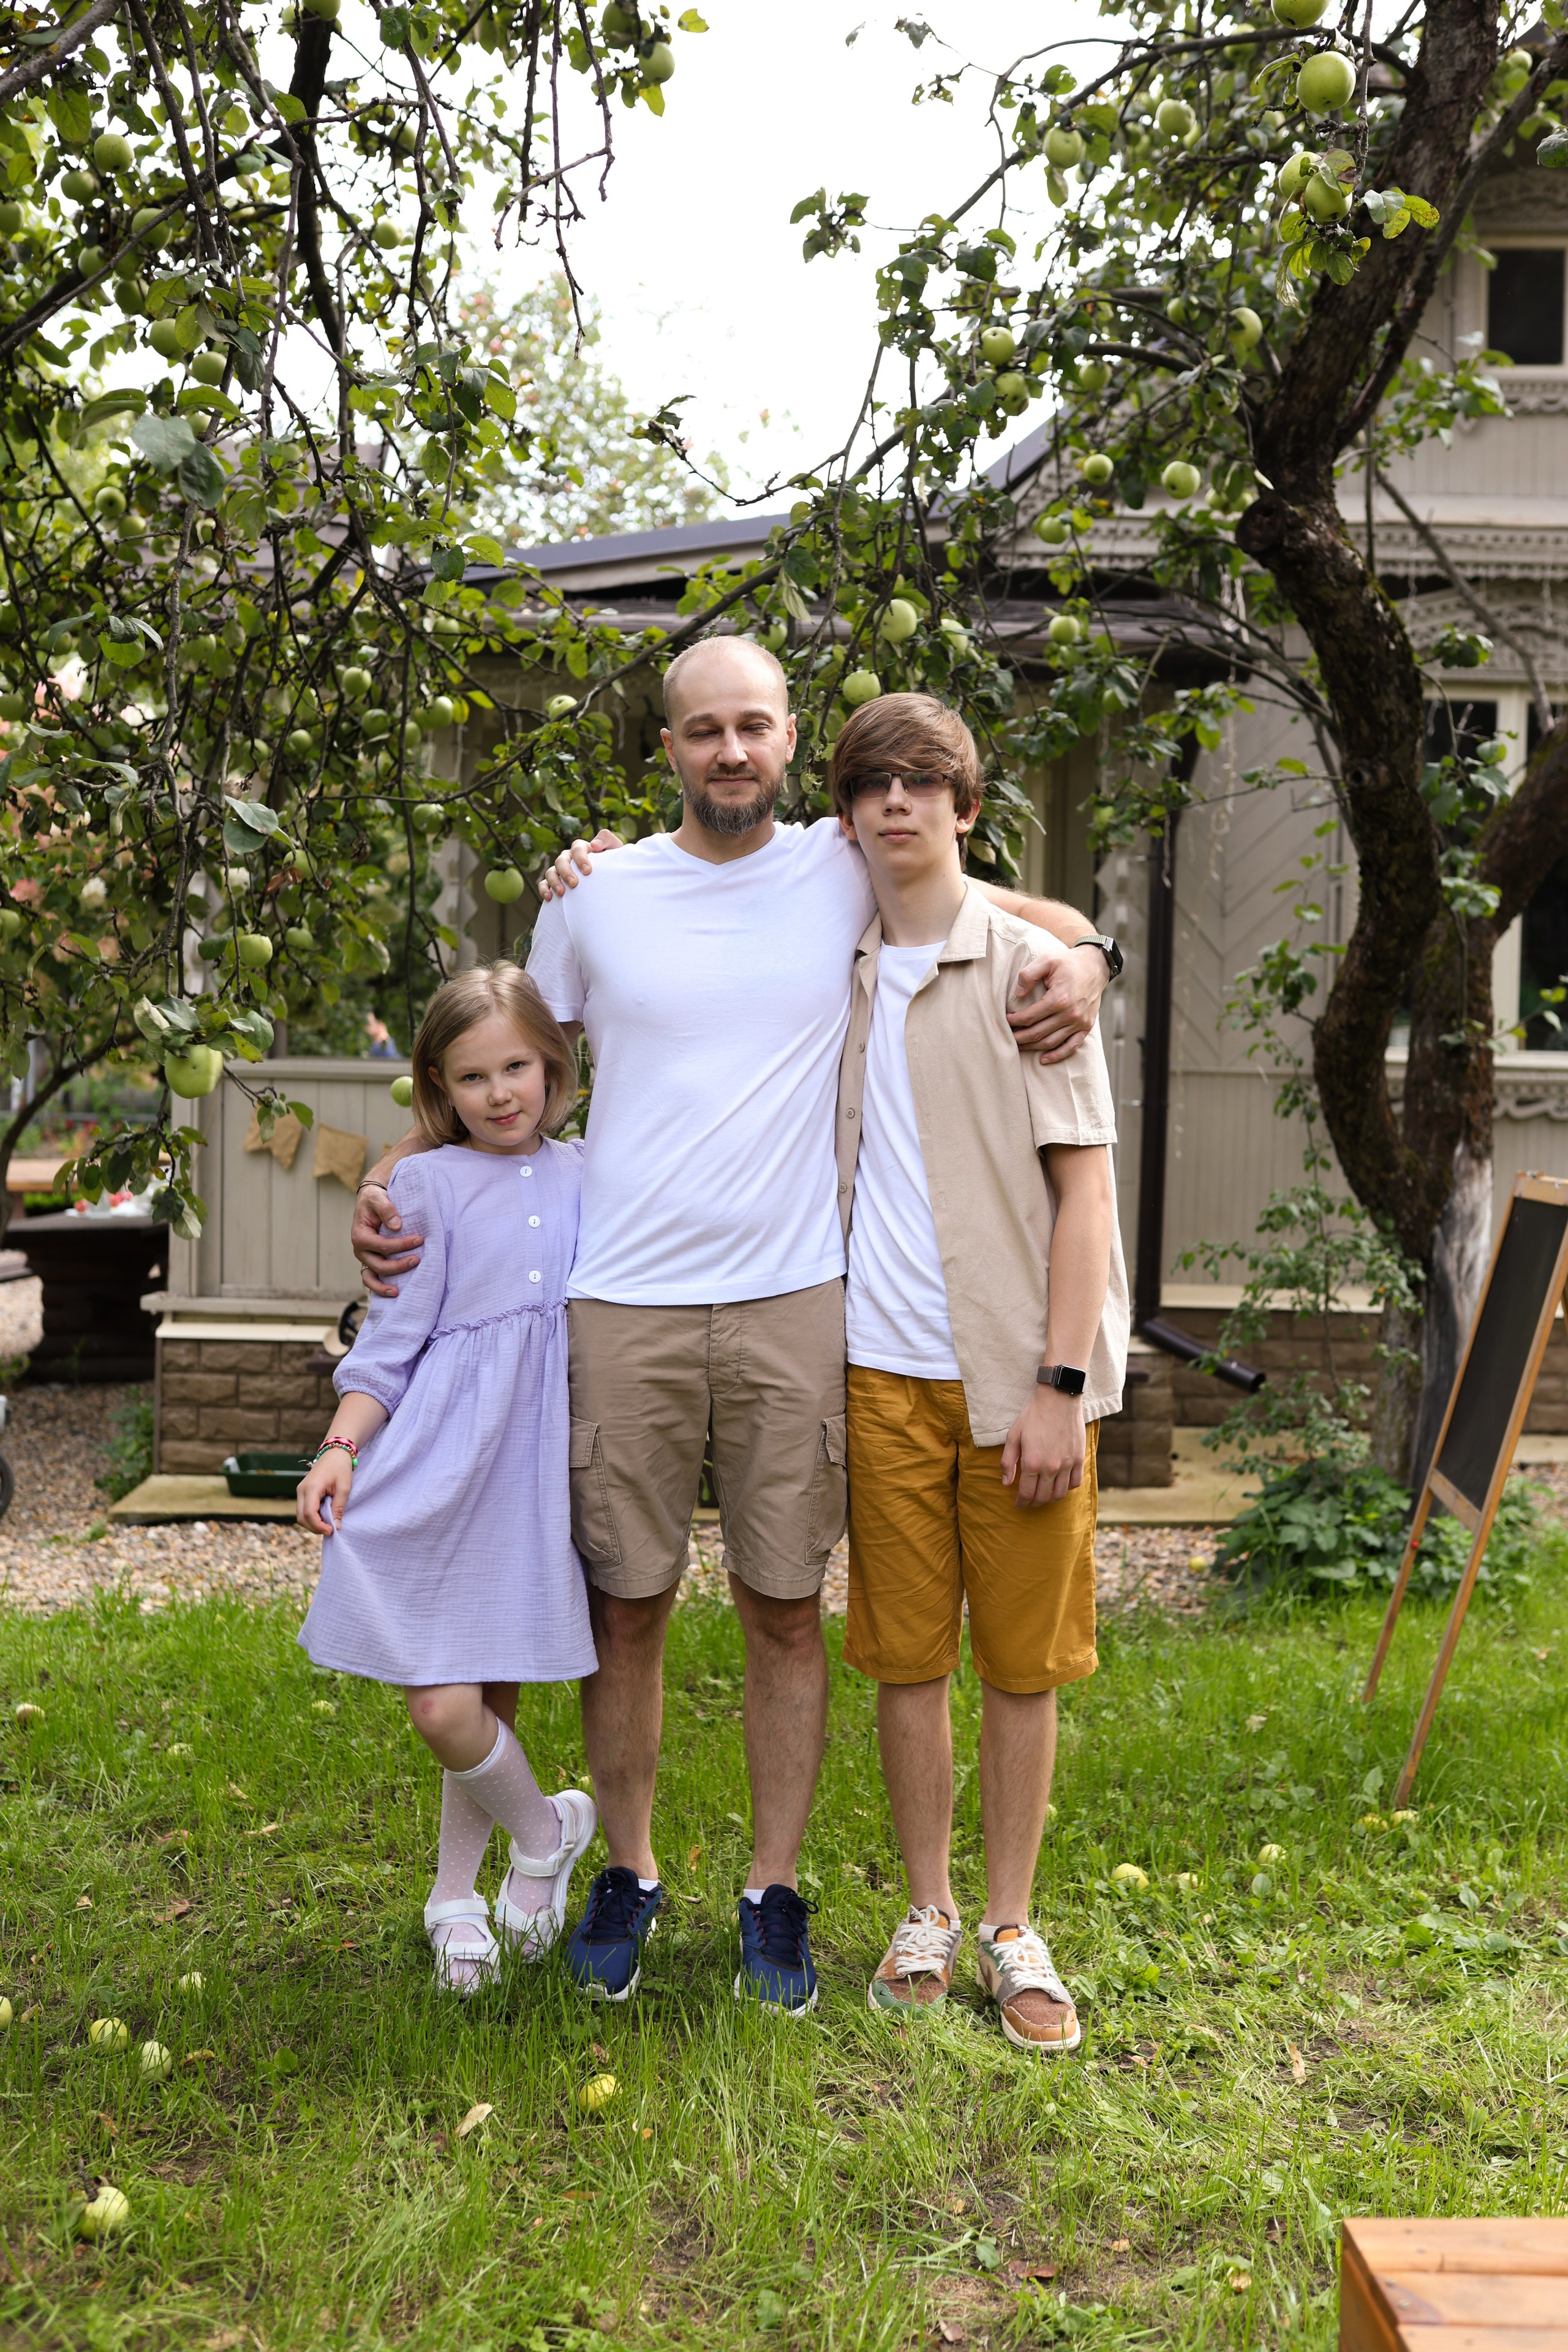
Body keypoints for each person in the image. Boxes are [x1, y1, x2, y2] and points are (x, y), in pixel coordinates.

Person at [351, 635, 1119, 2015]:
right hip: (619, 1299)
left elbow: (1005, 908)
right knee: (625, 1608)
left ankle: (773, 1893)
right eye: (701, 730)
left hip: (792, 1298)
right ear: (667, 751)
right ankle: (628, 1873)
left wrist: (1092, 954)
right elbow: (501, 1065)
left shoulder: (839, 864)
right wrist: (395, 1172)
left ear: (784, 742)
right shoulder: (597, 898)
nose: (727, 751)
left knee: (782, 1610)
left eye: (752, 727)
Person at [830, 693, 1128, 2056]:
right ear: (843, 815)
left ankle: (1013, 1919)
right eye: (871, 783)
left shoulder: (1027, 971)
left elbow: (1085, 1199)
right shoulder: (821, 959)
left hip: (1011, 1377)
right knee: (904, 1659)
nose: (897, 801)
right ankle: (928, 1908)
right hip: (874, 1375)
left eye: (923, 780)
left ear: (963, 804)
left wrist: (1059, 1385)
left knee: (1019, 1664)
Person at [296, 965, 599, 1996]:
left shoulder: (590, 1173)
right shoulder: (424, 1185)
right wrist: (340, 1446)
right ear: (438, 1085)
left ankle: (454, 1899)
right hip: (439, 1460)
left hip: (535, 1469)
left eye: (518, 1066)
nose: (501, 1093)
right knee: (442, 1703)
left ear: (554, 1065)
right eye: (473, 1077)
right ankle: (546, 1831)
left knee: (491, 1685)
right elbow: (391, 1343)